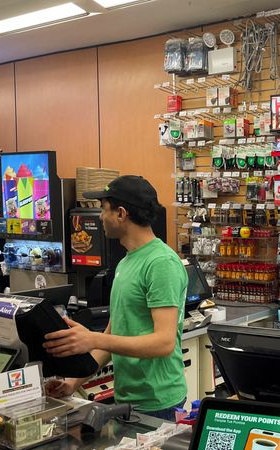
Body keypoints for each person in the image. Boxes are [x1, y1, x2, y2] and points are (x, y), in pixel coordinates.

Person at [44, 175, 188, 420]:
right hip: (128, 400)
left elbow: (164, 343)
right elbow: (112, 337)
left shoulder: (161, 263)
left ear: (121, 214)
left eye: (104, 209)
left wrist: (92, 339)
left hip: (158, 402)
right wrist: (72, 383)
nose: (100, 216)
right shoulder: (126, 262)